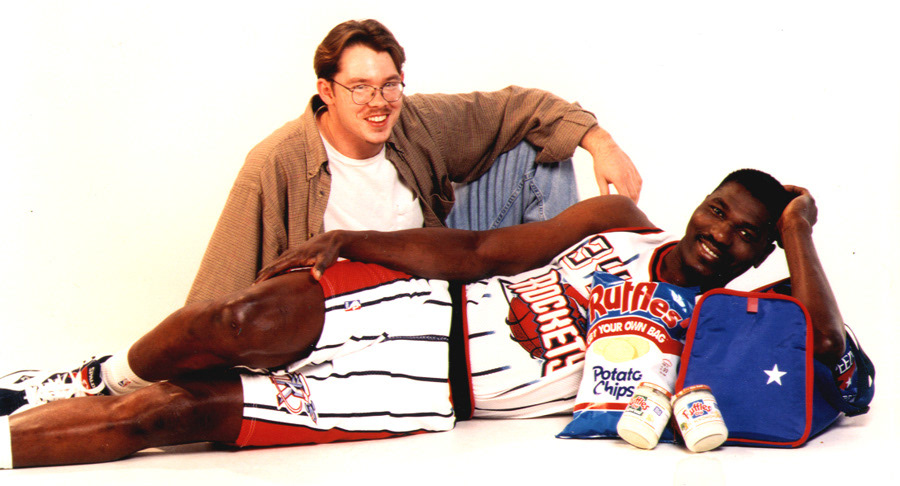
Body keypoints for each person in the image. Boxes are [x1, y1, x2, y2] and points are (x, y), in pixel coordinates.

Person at [0, 169, 849, 469]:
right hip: (416, 303)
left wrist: (797, 232)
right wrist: (356, 237)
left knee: (170, 416)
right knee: (240, 316)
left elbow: (827, 350)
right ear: (698, 204)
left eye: (745, 233)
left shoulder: (737, 322)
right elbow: (481, 251)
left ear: (756, 253)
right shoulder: (617, 223)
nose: (718, 234)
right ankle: (93, 371)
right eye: (718, 211)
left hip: (416, 392)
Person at [186, 19, 642, 303]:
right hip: (357, 306)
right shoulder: (277, 162)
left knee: (540, 153)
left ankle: (561, 308)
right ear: (327, 91)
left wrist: (603, 144)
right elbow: (220, 284)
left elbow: (520, 106)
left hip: (436, 265)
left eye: (389, 84)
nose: (378, 102)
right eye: (360, 87)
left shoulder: (415, 119)